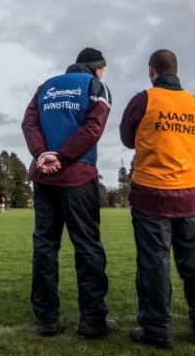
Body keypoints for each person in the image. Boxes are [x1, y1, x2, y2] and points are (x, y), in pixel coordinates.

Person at [120, 49, 195, 348]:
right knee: (194, 263)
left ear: (152, 71)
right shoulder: (194, 102)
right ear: (176, 71)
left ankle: (157, 329)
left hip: (151, 193)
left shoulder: (144, 99)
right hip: (188, 193)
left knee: (154, 263)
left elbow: (127, 138)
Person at [21, 47, 117, 338]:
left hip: (44, 178)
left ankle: (46, 319)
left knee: (45, 248)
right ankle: (91, 320)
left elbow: (29, 122)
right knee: (87, 247)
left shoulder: (45, 86)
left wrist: (42, 155)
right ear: (97, 68)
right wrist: (62, 157)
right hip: (77, 175)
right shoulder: (95, 86)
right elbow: (93, 129)